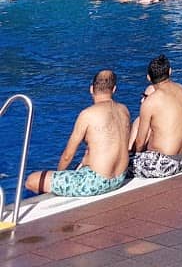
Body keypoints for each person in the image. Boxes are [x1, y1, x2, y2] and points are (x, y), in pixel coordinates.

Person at [25, 69, 131, 199]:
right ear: (114, 89)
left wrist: (58, 177)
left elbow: (67, 156)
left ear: (91, 89)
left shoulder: (87, 114)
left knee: (32, 181)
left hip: (98, 183)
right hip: (119, 178)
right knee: (82, 161)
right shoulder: (124, 110)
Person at [129, 55, 182, 180]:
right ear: (170, 71)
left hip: (164, 164)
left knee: (117, 166)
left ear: (148, 77)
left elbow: (140, 142)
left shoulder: (151, 101)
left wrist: (133, 156)